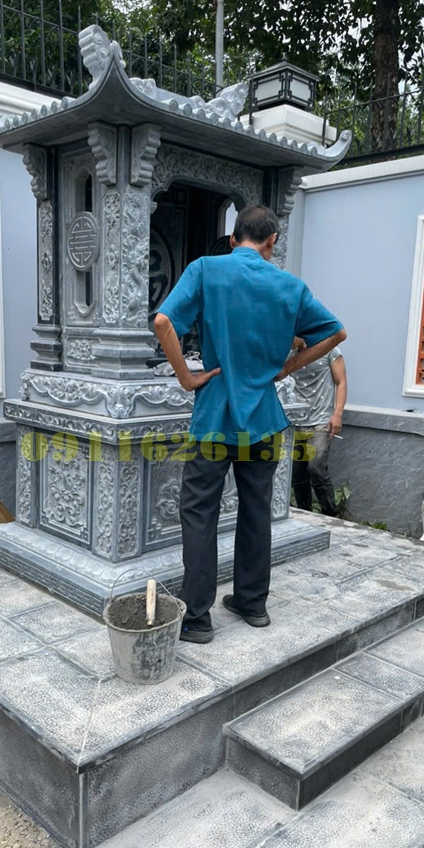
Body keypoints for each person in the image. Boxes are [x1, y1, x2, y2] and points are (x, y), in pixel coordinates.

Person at [154, 205, 346, 644]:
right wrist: (288, 366)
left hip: (215, 416)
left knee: (199, 512)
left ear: (233, 237)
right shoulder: (290, 286)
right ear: (272, 241)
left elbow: (164, 321)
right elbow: (336, 333)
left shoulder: (206, 269)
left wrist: (187, 378)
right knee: (256, 509)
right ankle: (252, 603)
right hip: (264, 418)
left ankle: (197, 618)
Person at [290, 337, 347, 517]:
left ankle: (330, 514)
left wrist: (337, 414)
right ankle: (304, 514)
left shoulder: (328, 349)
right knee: (297, 473)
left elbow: (341, 382)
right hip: (295, 421)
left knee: (316, 467)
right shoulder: (288, 354)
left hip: (321, 420)